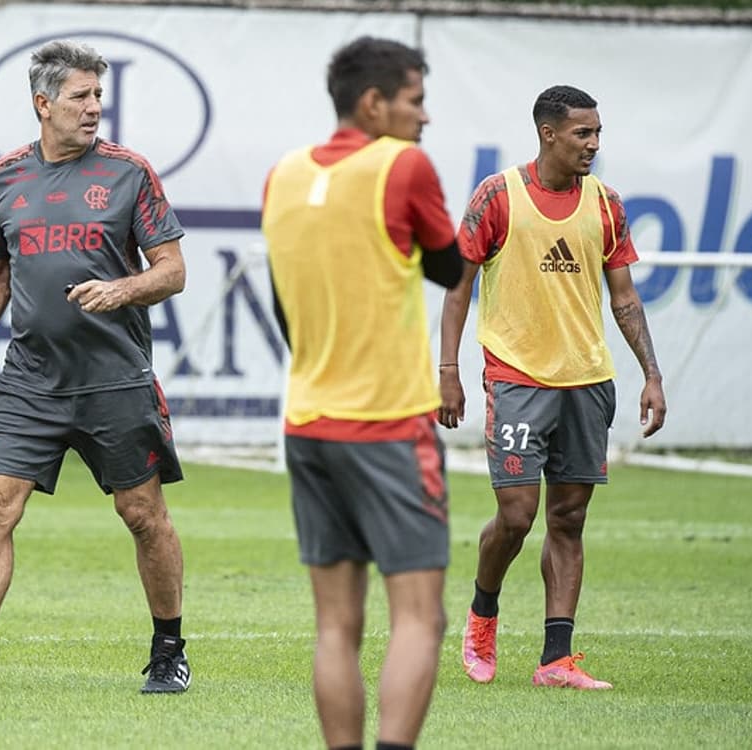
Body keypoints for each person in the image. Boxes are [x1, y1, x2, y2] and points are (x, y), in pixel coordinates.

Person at [0, 39, 192, 697]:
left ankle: (169, 648)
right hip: (30, 380)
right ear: (42, 103)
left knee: (143, 515)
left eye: (98, 97)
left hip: (115, 377)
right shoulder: (3, 179)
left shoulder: (129, 173)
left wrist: (121, 289)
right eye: (81, 97)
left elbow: (173, 271)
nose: (93, 109)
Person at [261, 36, 464, 750]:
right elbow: (449, 264)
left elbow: (284, 305)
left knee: (335, 625)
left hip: (307, 422)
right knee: (420, 617)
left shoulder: (281, 175)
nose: (425, 117)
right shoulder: (402, 165)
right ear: (374, 103)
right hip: (386, 425)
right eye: (415, 100)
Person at [438, 84, 667, 690]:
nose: (593, 144)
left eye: (597, 134)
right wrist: (448, 372)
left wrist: (651, 374)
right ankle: (483, 613)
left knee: (568, 518)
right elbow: (458, 288)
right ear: (548, 133)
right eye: (582, 134)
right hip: (515, 378)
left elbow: (624, 298)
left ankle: (556, 660)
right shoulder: (498, 196)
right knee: (516, 515)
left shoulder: (606, 203)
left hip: (587, 382)